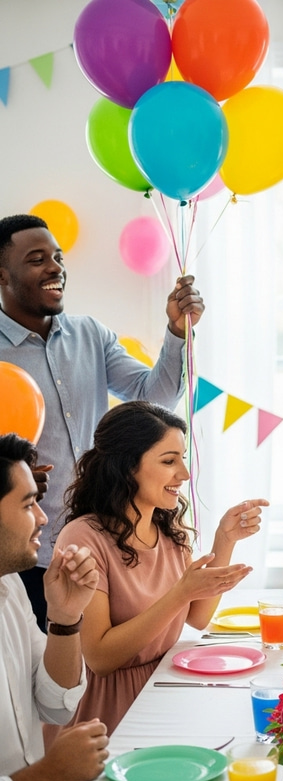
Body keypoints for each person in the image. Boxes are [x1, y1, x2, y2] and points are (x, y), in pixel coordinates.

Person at [0, 213, 206, 629]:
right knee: (39, 682)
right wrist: (12, 471)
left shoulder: (91, 335)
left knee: (100, 672)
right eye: (37, 259)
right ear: (2, 276)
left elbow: (155, 396)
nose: (55, 267)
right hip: (26, 554)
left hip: (101, 543)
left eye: (57, 257)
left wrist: (176, 330)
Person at [50, 401, 269, 735]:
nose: (183, 474)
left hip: (166, 687)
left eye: (182, 458)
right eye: (169, 461)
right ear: (127, 467)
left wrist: (224, 541)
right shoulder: (82, 538)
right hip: (110, 710)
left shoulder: (170, 531)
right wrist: (180, 594)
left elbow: (197, 617)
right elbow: (100, 658)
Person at [0, 433, 109, 781]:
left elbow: (55, 706)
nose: (43, 518)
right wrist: (47, 776)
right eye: (28, 504)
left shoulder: (10, 586)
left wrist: (65, 616)